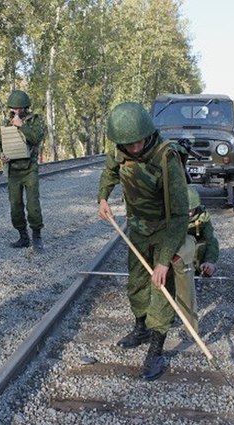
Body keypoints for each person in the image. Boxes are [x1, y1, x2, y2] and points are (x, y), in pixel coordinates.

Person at [97, 102, 189, 381]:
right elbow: (110, 172)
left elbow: (180, 215)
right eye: (128, 145)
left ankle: (156, 350)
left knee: (160, 286)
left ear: (147, 134)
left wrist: (163, 260)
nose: (134, 149)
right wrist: (103, 197)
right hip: (136, 229)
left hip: (165, 230)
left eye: (138, 143)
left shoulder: (166, 158)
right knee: (136, 282)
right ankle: (141, 327)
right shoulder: (120, 149)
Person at [0, 90, 45, 250]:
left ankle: (37, 236)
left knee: (33, 205)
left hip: (30, 169)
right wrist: (0, 154)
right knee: (15, 205)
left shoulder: (35, 120)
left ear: (26, 107)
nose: (16, 112)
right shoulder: (6, 123)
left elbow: (37, 138)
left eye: (19, 109)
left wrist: (22, 126)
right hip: (13, 171)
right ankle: (23, 236)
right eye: (13, 109)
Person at [187, 187, 219, 277]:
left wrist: (209, 261)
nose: (189, 214)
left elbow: (211, 241)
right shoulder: (171, 216)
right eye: (186, 210)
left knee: (202, 247)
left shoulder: (203, 217)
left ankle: (197, 272)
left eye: (191, 210)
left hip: (194, 249)